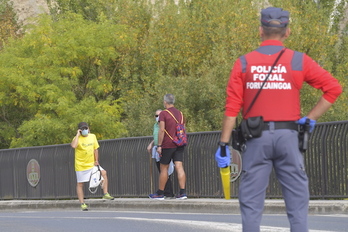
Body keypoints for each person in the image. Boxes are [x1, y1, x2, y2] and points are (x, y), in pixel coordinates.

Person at [216, 7, 342, 232]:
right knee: (297, 197)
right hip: (289, 137)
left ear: (260, 31)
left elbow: (232, 108)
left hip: (256, 139)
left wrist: (224, 145)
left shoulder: (244, 63)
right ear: (287, 32)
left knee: (251, 199)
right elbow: (333, 89)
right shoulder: (298, 60)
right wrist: (310, 118)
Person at [149, 94, 187, 200]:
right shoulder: (180, 113)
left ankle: (160, 193)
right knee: (179, 166)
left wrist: (160, 145)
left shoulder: (164, 114)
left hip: (168, 144)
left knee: (164, 167)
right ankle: (182, 192)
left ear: (165, 102)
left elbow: (161, 130)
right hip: (179, 143)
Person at [71, 122, 114, 211]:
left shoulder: (92, 136)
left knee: (103, 173)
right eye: (82, 129)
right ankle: (82, 203)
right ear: (79, 130)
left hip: (91, 163)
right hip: (81, 165)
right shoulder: (77, 138)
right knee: (80, 184)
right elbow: (73, 145)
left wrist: (96, 160)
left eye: (86, 128)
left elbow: (95, 149)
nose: (85, 130)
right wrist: (77, 135)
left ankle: (105, 193)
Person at [146, 109, 174, 198]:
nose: (157, 117)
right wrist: (151, 144)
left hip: (164, 148)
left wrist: (160, 146)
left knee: (165, 171)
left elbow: (163, 135)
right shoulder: (155, 125)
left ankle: (168, 192)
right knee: (161, 171)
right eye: (156, 116)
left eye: (159, 115)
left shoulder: (164, 124)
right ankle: (164, 191)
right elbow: (157, 136)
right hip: (156, 148)